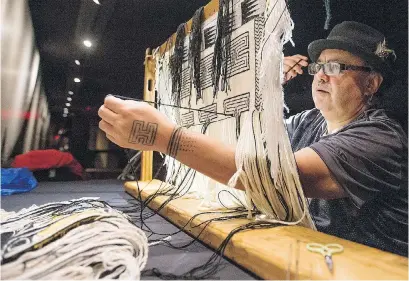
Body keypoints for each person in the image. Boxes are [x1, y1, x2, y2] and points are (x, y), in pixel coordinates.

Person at [98, 21, 407, 256]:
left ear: (371, 83)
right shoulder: (310, 122)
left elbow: (275, 176)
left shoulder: (380, 138)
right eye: (317, 66)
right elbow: (245, 144)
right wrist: (262, 89)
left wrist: (165, 137)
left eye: (335, 67)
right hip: (319, 256)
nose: (320, 76)